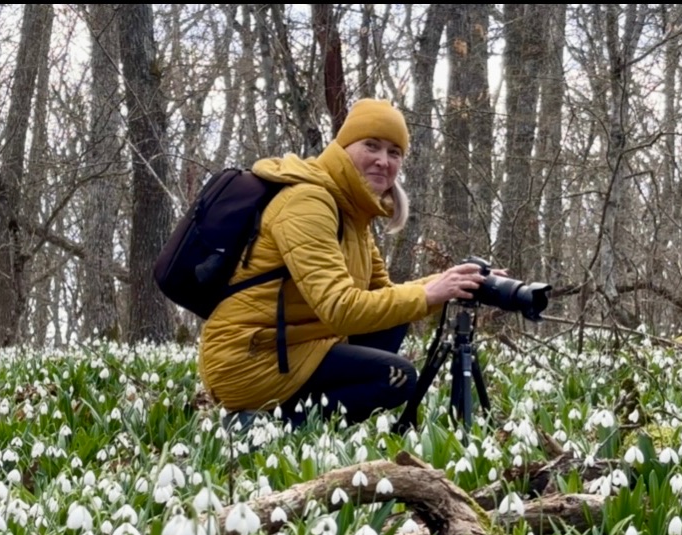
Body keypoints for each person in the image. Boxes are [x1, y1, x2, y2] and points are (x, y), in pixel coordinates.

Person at [198, 99, 487, 430]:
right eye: (371, 145)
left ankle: (298, 416)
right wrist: (430, 294)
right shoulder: (309, 202)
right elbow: (340, 309)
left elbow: (384, 293)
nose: (383, 161)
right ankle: (263, 427)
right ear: (343, 147)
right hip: (249, 358)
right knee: (396, 377)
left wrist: (455, 280)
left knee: (395, 317)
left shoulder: (353, 213)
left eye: (394, 153)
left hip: (295, 345)